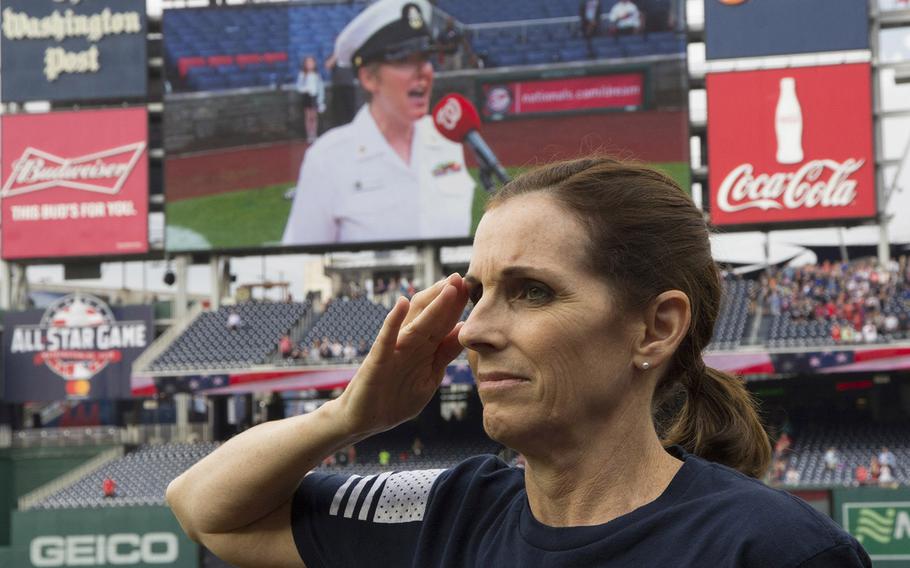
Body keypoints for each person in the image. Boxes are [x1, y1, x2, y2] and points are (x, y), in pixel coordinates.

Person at [167, 158, 870, 566]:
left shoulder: (773, 550)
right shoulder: (449, 512)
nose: (473, 331)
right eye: (477, 293)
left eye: (532, 292)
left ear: (656, 329)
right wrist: (348, 414)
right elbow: (207, 511)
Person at [282, 0, 476, 246]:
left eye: (426, 58)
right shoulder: (326, 160)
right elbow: (301, 264)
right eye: (405, 60)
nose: (424, 71)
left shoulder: (447, 140)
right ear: (369, 78)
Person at [296, 56, 326, 143]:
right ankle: (309, 134)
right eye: (308, 63)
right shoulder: (302, 74)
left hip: (315, 97)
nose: (310, 64)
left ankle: (314, 133)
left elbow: (320, 88)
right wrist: (305, 89)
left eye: (311, 62)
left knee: (314, 116)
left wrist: (321, 100)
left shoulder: (317, 75)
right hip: (307, 97)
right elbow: (299, 87)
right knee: (308, 116)